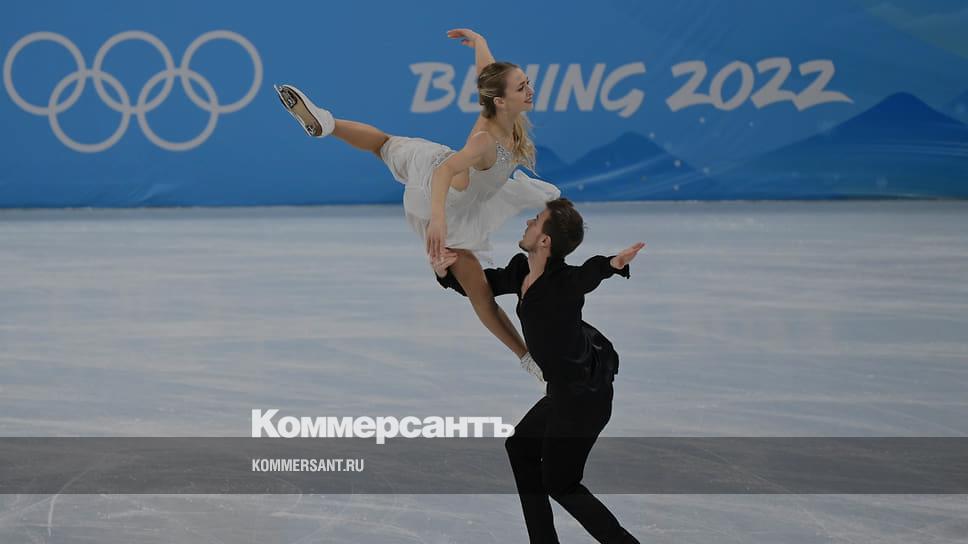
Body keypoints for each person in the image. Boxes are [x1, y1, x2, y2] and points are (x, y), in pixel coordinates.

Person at [275, 29, 558, 375]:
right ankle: (527, 359)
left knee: (383, 144)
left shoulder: (501, 110)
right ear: (500, 101)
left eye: (527, 83)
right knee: (479, 294)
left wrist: (480, 43)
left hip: (444, 180)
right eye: (522, 87)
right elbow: (444, 173)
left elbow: (487, 74)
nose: (530, 90)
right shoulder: (485, 139)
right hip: (437, 190)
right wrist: (437, 220)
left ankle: (329, 123)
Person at [433, 197, 644, 544]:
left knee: (562, 484)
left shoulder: (563, 282)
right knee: (521, 448)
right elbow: (481, 286)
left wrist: (613, 264)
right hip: (564, 392)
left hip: (583, 398)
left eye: (534, 221)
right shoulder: (521, 271)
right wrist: (444, 273)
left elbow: (587, 275)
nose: (527, 223)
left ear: (545, 240)